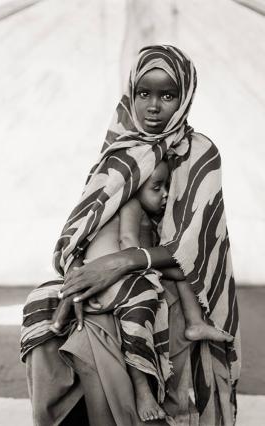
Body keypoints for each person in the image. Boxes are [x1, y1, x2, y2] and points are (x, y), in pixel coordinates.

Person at [21, 45, 241, 426]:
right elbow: (85, 219)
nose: (153, 107)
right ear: (131, 94)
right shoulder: (120, 149)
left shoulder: (200, 154)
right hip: (111, 271)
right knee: (43, 309)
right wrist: (82, 270)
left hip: (171, 276)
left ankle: (132, 407)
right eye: (144, 93)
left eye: (168, 95)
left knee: (106, 326)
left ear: (185, 95)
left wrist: (117, 264)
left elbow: (194, 246)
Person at [50, 158, 232, 422]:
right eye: (156, 187)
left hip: (117, 273)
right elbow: (127, 241)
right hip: (111, 274)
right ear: (135, 187)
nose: (165, 193)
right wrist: (141, 267)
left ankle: (194, 322)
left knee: (184, 273)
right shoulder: (131, 203)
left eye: (167, 186)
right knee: (140, 308)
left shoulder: (154, 216)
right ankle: (142, 388)